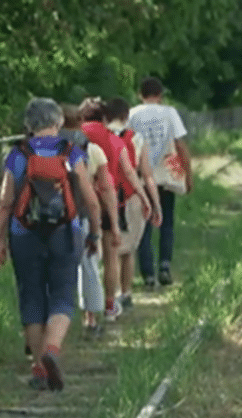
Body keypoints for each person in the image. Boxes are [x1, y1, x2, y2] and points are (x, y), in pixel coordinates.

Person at [0, 98, 101, 391]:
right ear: (58, 122)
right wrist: (95, 233)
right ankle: (52, 350)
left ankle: (38, 368)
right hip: (65, 231)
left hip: (24, 233)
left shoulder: (18, 154)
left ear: (28, 125)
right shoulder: (71, 151)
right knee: (62, 292)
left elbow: (4, 203)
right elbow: (89, 197)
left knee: (32, 296)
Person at [79, 98, 152, 320]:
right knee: (111, 256)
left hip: (82, 199)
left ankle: (89, 314)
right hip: (110, 200)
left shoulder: (78, 136)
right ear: (104, 118)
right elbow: (129, 172)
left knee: (87, 258)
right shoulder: (113, 139)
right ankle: (110, 305)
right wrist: (144, 197)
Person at [60, 104, 120, 333]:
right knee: (88, 266)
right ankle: (90, 319)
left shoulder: (41, 148)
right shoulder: (91, 149)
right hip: (81, 215)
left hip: (45, 220)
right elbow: (105, 189)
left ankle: (51, 323)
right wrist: (112, 224)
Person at [128, 76, 193, 287]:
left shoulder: (132, 115)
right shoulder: (169, 113)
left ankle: (148, 274)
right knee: (166, 223)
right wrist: (188, 173)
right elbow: (180, 145)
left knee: (144, 225)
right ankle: (164, 265)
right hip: (166, 175)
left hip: (141, 176)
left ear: (140, 94)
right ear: (161, 95)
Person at [104, 97, 162, 308]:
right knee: (128, 250)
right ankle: (125, 293)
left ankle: (109, 296)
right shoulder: (136, 138)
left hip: (105, 197)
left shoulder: (98, 138)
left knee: (108, 251)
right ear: (126, 116)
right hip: (131, 196)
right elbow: (146, 175)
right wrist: (155, 203)